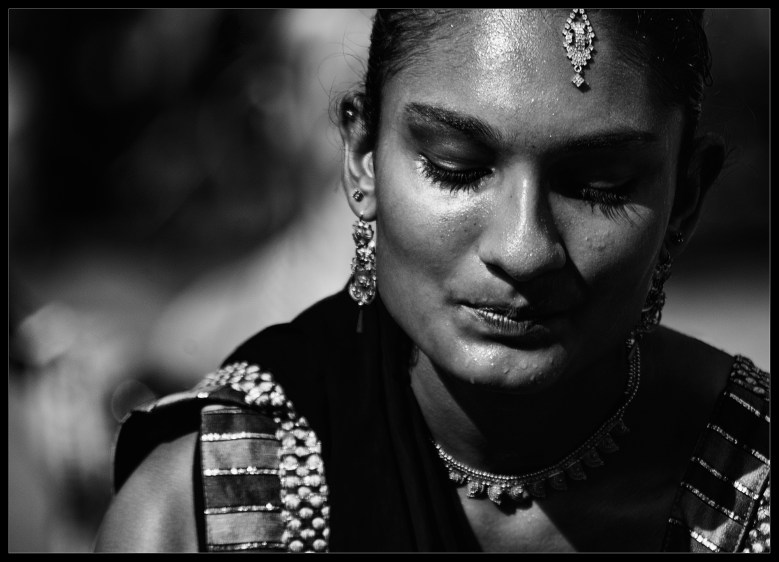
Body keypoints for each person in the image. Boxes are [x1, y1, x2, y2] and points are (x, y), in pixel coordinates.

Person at [94, 9, 769, 553]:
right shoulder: (202, 513)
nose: (522, 248)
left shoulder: (752, 482)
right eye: (456, 168)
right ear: (363, 159)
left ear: (685, 197)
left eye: (599, 184)